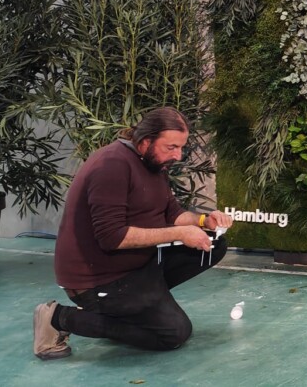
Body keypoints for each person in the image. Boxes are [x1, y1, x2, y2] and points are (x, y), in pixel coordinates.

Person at [33, 107, 233, 359]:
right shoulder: (111, 166)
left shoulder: (151, 162)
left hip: (135, 268)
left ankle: (136, 306)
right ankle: (58, 318)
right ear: (145, 141)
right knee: (173, 334)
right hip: (97, 281)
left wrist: (205, 220)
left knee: (214, 244)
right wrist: (180, 234)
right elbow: (112, 237)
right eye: (171, 147)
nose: (178, 156)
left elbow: (172, 213)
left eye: (181, 148)